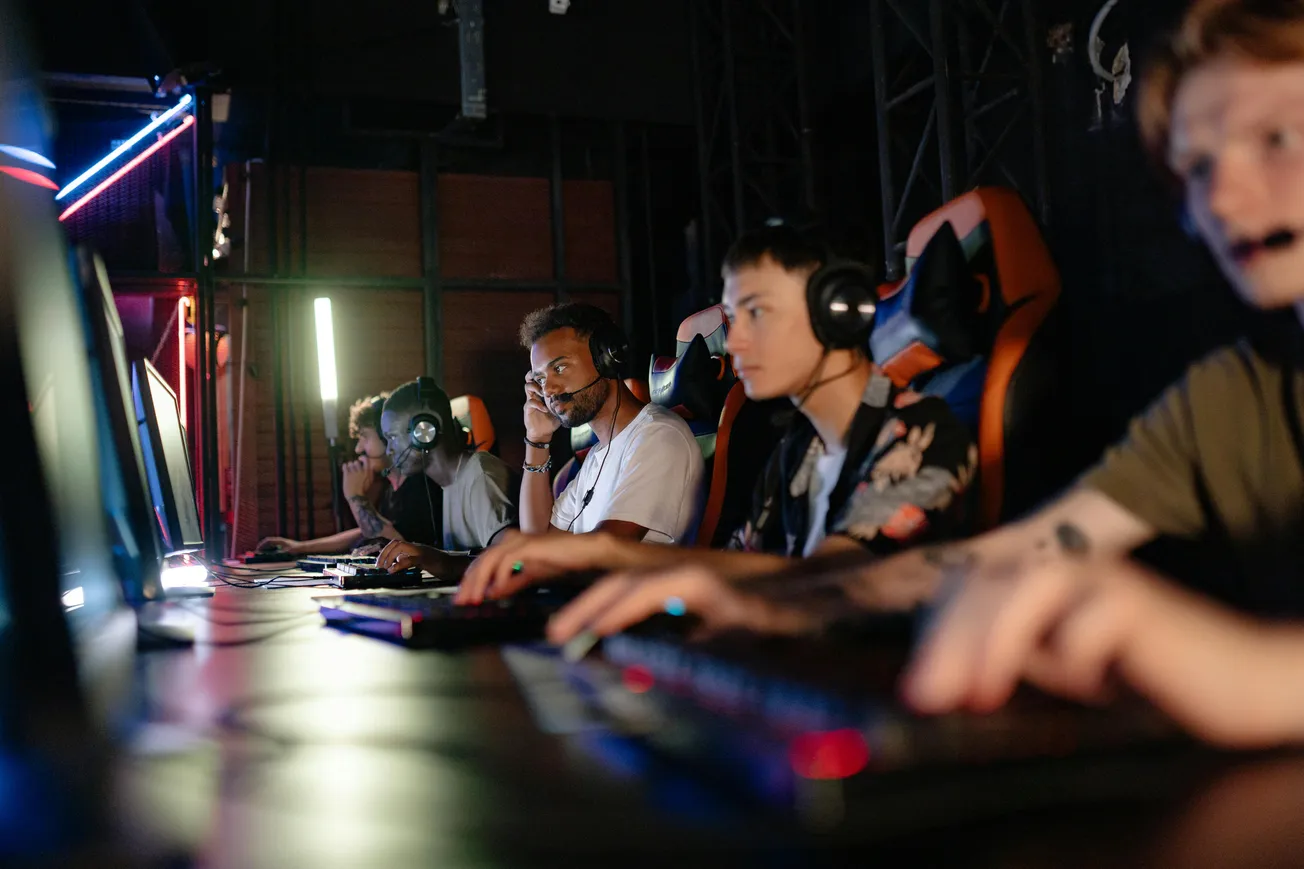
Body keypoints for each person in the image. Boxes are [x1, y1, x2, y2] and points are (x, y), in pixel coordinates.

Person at [546, 0, 1304, 748]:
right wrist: (774, 603)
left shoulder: (918, 432)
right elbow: (1005, 554)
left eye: (1276, 137)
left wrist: (1229, 660)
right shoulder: (1234, 396)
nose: (1224, 197)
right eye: (1198, 165)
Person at [456, 226, 977, 604]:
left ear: (834, 309)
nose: (736, 338)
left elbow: (834, 582)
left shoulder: (920, 431)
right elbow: (749, 567)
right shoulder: (799, 452)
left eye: (756, 312)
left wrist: (605, 559)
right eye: (733, 317)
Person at [513, 302, 705, 544]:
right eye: (540, 379)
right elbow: (537, 544)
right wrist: (537, 441)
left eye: (559, 368)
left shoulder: (659, 436)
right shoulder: (596, 459)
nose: (548, 390)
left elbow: (605, 552)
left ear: (607, 357)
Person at [257, 391, 441, 555]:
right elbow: (367, 530)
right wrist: (299, 547)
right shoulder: (392, 490)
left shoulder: (420, 485)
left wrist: (355, 497)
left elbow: (399, 545)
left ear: (387, 435)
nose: (359, 448)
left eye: (365, 437)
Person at [373, 377, 517, 578]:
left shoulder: (481, 475)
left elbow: (514, 563)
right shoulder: (448, 483)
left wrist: (432, 559)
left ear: (425, 431)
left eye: (393, 437)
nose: (388, 450)